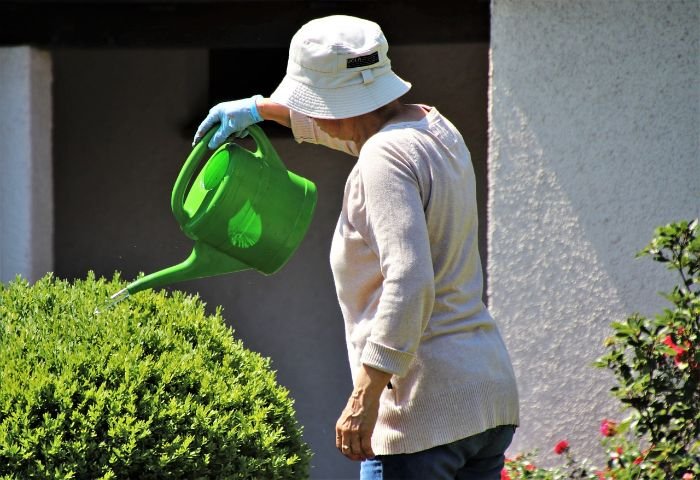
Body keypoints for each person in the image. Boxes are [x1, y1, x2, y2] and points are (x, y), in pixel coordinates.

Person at [193, 15, 519, 480]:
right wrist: (264, 109)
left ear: (332, 103)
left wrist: (365, 398)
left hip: (421, 410)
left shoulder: (382, 159)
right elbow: (359, 131)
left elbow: (409, 280)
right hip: (485, 395)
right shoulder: (433, 128)